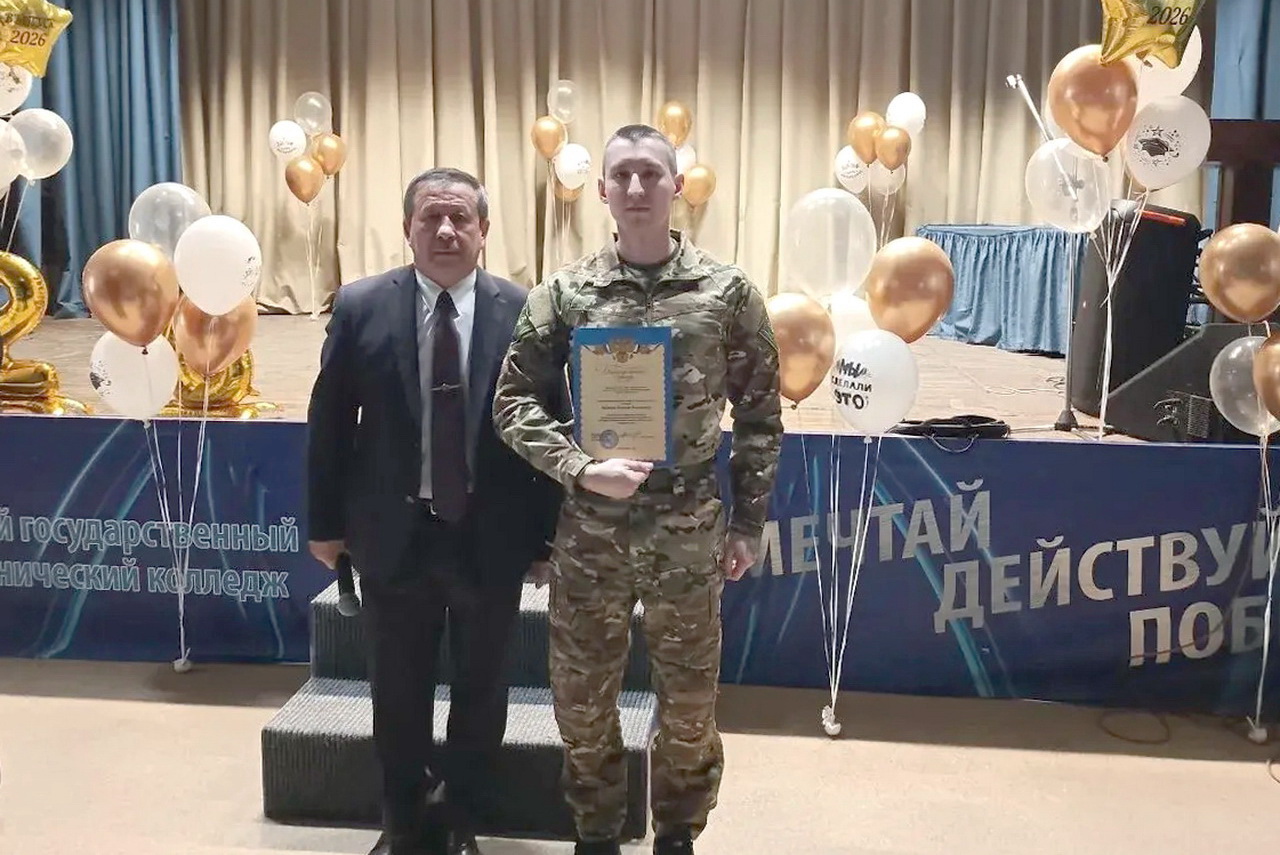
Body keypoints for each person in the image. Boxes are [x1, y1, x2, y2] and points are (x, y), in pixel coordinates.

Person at [492, 125, 783, 855]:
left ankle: (678, 832)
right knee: (582, 700)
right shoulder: (566, 292)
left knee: (689, 704)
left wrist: (747, 523)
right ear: (601, 191)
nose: (636, 187)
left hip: (688, 522)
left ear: (677, 185)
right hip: (593, 527)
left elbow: (759, 415)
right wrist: (578, 467)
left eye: (651, 173)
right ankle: (596, 832)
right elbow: (512, 403)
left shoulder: (727, 292)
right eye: (621, 175)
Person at [306, 167, 565, 855]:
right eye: (431, 218)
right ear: (407, 229)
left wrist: (548, 535)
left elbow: (551, 423)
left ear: (484, 231)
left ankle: (459, 818)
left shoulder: (525, 309)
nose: (446, 230)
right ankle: (402, 820)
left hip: (491, 535)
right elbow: (329, 420)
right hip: (393, 534)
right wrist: (324, 525)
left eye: (460, 219)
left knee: (483, 689)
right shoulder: (360, 305)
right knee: (397, 690)